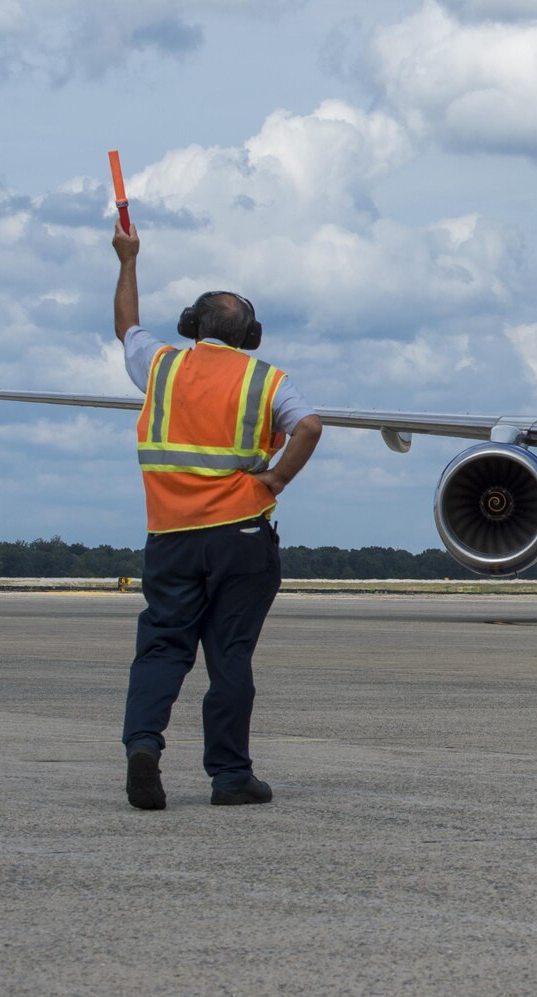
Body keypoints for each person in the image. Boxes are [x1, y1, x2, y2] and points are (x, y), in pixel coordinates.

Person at [111, 216, 323, 811]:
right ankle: (230, 778)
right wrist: (276, 477)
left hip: (172, 537)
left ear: (190, 327)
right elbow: (308, 426)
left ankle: (144, 747)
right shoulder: (266, 379)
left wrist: (128, 259)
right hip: (241, 537)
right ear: (249, 335)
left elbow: (126, 325)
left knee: (161, 648)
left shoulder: (161, 365)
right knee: (229, 656)